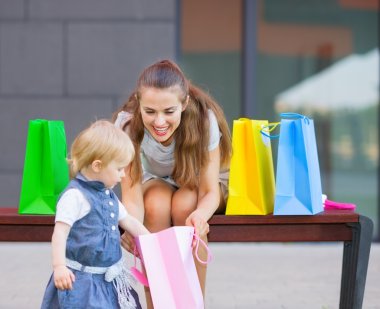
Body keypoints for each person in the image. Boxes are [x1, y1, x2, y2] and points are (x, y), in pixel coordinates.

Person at [113, 59, 232, 308]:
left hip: (199, 183)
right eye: (150, 111)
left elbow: (210, 191)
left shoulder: (203, 120)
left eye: (169, 112)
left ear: (184, 104)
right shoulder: (126, 126)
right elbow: (132, 196)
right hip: (157, 182)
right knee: (154, 206)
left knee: (185, 206)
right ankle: (158, 303)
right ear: (138, 102)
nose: (159, 122)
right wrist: (132, 229)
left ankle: (192, 303)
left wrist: (201, 216)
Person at [41, 120, 150, 309]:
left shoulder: (108, 195)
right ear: (98, 166)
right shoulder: (75, 196)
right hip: (82, 283)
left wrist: (153, 244)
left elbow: (129, 221)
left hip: (109, 280)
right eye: (119, 168)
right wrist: (59, 267)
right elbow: (60, 234)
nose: (123, 174)